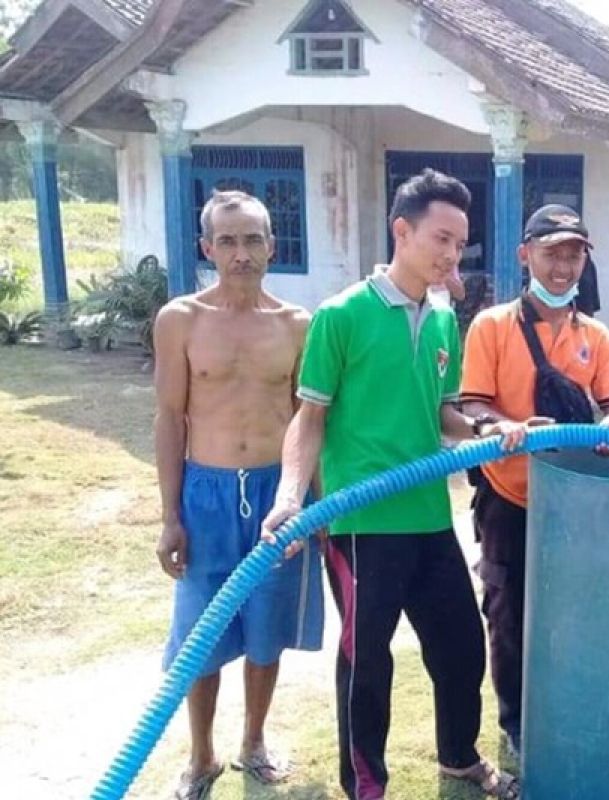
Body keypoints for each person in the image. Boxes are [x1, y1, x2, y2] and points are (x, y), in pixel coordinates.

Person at [261, 169, 529, 800]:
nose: (450, 255)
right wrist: (289, 498)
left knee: (461, 648)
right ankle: (366, 786)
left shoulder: (441, 319)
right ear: (401, 231)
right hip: (361, 524)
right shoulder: (342, 314)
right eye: (440, 238)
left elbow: (443, 412)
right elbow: (310, 417)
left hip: (427, 514)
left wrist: (485, 429)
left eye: (460, 244)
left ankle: (459, 758)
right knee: (367, 664)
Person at [154, 190, 324, 799]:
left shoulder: (298, 325)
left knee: (265, 628)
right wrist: (170, 516)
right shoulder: (181, 320)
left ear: (272, 246)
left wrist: (314, 503)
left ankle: (254, 740)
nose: (241, 252)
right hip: (206, 496)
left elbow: (309, 419)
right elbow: (170, 419)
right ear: (207, 248)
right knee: (199, 635)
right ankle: (201, 755)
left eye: (253, 239)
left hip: (277, 496)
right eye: (227, 241)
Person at [461, 204, 609, 756]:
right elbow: (473, 400)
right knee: (509, 609)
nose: (563, 266)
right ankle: (516, 723)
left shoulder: (596, 335)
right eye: (551, 252)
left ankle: (562, 705)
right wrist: (503, 426)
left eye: (574, 253)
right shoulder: (492, 326)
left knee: (571, 605)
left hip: (576, 497)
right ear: (525, 255)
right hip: (508, 494)